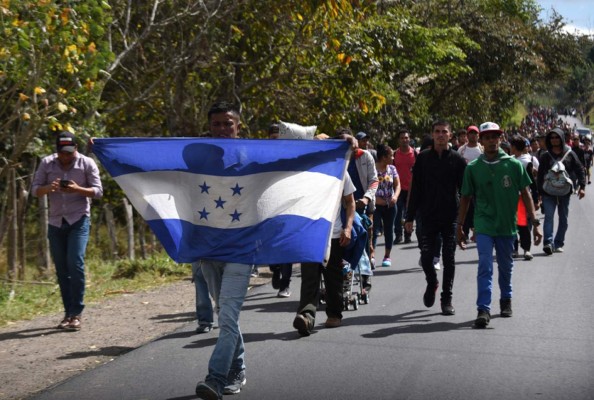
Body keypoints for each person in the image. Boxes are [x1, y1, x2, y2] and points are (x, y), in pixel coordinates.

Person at [457, 122, 542, 328]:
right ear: (481, 141)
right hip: (484, 224)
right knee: (485, 265)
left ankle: (506, 300)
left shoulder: (513, 165)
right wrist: (459, 225)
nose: (492, 140)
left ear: (500, 139)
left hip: (506, 225)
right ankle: (483, 309)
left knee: (505, 266)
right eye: (487, 137)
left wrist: (534, 222)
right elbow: (466, 197)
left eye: (495, 137)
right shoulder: (473, 168)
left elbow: (526, 193)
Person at [195, 102, 253, 399]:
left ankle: (215, 378)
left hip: (241, 251)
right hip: (209, 250)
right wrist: (106, 148)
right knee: (226, 315)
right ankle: (238, 368)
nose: (221, 129)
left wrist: (343, 146)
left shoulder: (252, 155)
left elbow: (292, 160)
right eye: (216, 123)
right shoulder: (199, 158)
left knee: (228, 316)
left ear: (237, 126)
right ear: (209, 126)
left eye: (227, 123)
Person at [32, 131, 103, 331]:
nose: (66, 156)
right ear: (57, 151)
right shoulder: (47, 163)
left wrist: (77, 189)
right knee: (62, 270)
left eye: (70, 152)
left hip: (78, 220)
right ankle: (68, 313)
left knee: (75, 262)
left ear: (76, 149)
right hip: (55, 222)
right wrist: (49, 188)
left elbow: (98, 191)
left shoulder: (87, 163)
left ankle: (77, 312)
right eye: (63, 153)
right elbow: (35, 190)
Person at [404, 120, 466, 316]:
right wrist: (409, 217)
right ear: (433, 134)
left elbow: (465, 192)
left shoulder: (457, 159)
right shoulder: (422, 159)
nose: (440, 135)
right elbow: (415, 190)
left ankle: (446, 298)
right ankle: (432, 282)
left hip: (450, 217)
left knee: (449, 258)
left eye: (444, 132)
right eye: (437, 132)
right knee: (426, 256)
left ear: (450, 135)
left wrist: (465, 222)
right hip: (427, 216)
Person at [293, 167, 356, 335]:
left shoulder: (341, 168)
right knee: (309, 276)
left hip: (333, 235)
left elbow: (350, 202)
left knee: (332, 277)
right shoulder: (304, 170)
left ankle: (335, 313)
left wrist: (348, 228)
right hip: (309, 234)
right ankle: (306, 317)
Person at [537, 127, 586, 255]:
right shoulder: (545, 156)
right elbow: (541, 175)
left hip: (564, 192)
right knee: (548, 217)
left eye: (557, 137)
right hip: (548, 192)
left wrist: (582, 187)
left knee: (563, 218)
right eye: (552, 137)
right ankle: (548, 243)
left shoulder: (570, 154)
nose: (554, 140)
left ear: (562, 138)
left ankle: (558, 243)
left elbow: (580, 169)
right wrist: (539, 194)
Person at [267, 122, 293, 298]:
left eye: (278, 137)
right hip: (269, 207)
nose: (276, 141)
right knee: (271, 245)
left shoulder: (291, 155)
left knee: (287, 246)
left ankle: (286, 284)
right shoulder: (264, 155)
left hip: (289, 206)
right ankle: (275, 269)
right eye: (272, 138)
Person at [509, 136, 540, 261]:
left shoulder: (527, 162)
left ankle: (526, 249)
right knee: (512, 225)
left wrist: (536, 198)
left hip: (523, 198)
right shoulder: (508, 160)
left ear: (514, 147)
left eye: (511, 146)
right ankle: (514, 249)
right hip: (510, 197)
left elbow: (532, 183)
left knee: (523, 224)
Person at [372, 144, 400, 267]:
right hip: (375, 206)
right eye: (391, 156)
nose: (393, 158)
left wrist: (395, 197)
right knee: (373, 230)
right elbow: (367, 186)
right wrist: (375, 199)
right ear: (384, 157)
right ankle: (371, 256)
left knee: (389, 230)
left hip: (390, 206)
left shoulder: (392, 169)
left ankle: (387, 256)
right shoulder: (372, 169)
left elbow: (397, 185)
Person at [457, 125, 483, 243]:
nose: (473, 135)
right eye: (471, 133)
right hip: (465, 184)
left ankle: (478, 231)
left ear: (478, 136)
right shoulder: (461, 150)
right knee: (465, 209)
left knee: (478, 209)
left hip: (480, 185)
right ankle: (465, 233)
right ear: (467, 136)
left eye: (475, 133)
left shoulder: (482, 150)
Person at [393, 129, 416, 244]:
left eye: (406, 138)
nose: (404, 140)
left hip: (412, 189)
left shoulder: (415, 154)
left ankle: (408, 235)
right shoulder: (394, 154)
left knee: (409, 213)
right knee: (397, 213)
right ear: (399, 140)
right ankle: (398, 235)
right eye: (402, 138)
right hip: (398, 189)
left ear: (409, 139)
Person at [192, 262, 215, 333]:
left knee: (221, 292)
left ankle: (226, 319)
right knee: (201, 284)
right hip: (198, 257)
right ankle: (205, 322)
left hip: (218, 256)